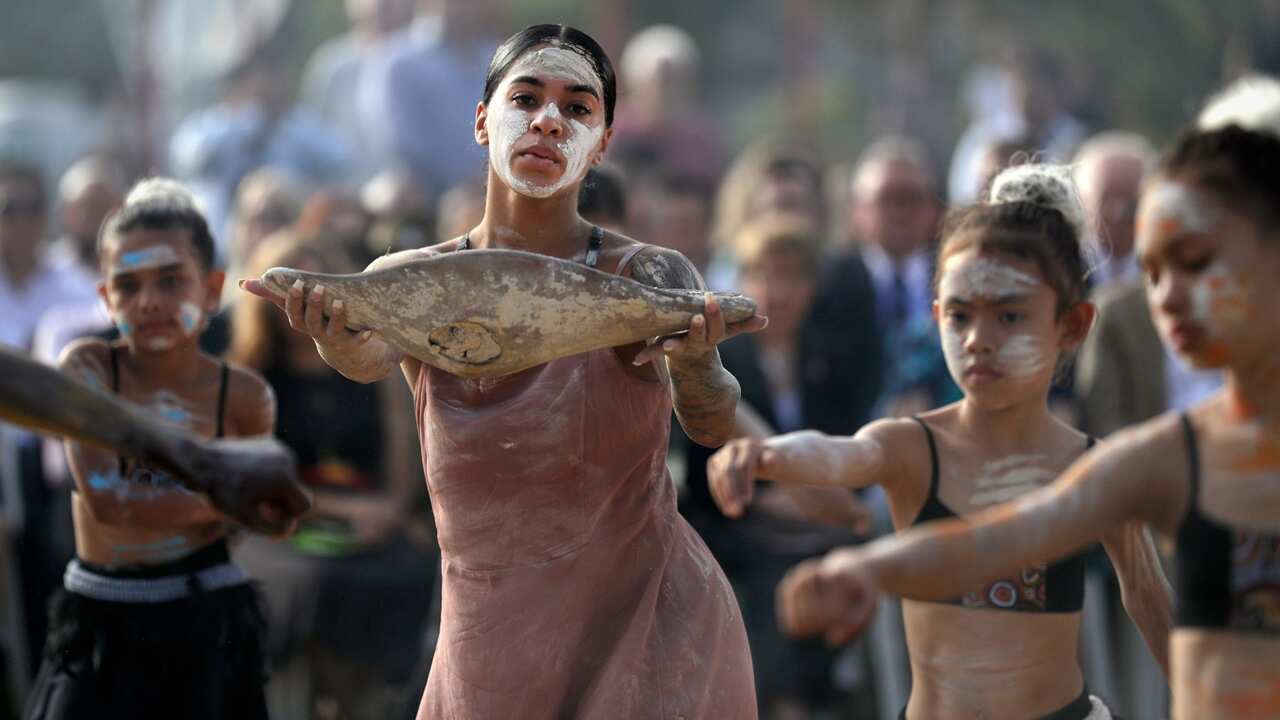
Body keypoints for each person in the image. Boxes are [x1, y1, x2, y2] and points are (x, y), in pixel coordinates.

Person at [243, 24, 763, 718]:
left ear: (603, 141)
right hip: (489, 647)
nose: (549, 121)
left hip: (648, 628)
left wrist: (698, 363)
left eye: (578, 109)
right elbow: (365, 358)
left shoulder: (651, 274)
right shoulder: (407, 284)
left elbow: (710, 420)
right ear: (484, 121)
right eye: (527, 98)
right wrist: (331, 337)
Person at [776, 75, 1280, 720]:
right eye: (1155, 271)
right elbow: (991, 540)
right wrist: (865, 567)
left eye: (1199, 260)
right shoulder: (1149, 460)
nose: (1168, 299)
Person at [709, 164, 1173, 720]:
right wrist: (766, 455)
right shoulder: (913, 447)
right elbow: (839, 453)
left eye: (1009, 315)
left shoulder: (1095, 469)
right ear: (936, 319)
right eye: (960, 315)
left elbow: (1149, 599)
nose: (979, 339)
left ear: (1071, 326)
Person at [22, 178, 290, 720]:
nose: (149, 302)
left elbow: (257, 517)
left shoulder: (242, 395)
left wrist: (246, 501)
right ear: (105, 297)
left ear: (212, 291)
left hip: (207, 622)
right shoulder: (89, 369)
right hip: (103, 625)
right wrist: (227, 493)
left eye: (171, 281)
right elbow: (109, 502)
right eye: (128, 285)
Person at [230, 230, 434, 720]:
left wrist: (386, 512)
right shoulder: (251, 379)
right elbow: (252, 476)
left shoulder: (376, 372)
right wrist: (342, 509)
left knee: (409, 573)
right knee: (309, 589)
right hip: (281, 528)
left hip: (371, 529)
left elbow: (402, 469)